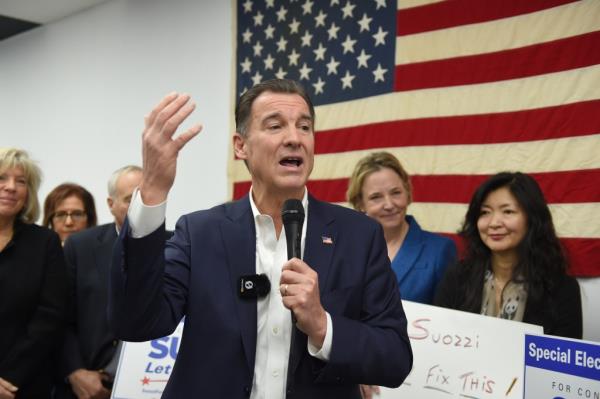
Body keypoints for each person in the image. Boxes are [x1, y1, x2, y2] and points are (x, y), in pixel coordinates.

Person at [108, 79, 413, 398]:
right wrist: (154, 188)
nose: (294, 138)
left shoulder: (359, 236)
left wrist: (323, 326)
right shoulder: (200, 234)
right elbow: (135, 323)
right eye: (275, 126)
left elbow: (394, 358)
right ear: (241, 146)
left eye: (304, 126)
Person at [434, 172, 582, 339]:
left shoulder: (562, 289)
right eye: (485, 212)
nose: (494, 223)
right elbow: (440, 340)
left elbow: (563, 360)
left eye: (508, 211)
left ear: (532, 218)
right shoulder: (457, 277)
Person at [53, 166, 143, 399]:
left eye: (146, 196)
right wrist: (74, 372)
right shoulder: (80, 247)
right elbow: (59, 317)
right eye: (129, 198)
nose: (139, 204)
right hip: (89, 384)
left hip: (149, 383)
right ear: (110, 204)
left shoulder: (175, 244)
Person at [0, 148, 68, 398]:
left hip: (23, 384)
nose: (11, 187)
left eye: (21, 181)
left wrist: (9, 377)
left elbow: (49, 317)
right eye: (2, 178)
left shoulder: (44, 242)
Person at [347, 151, 456, 304]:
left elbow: (450, 320)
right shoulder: (347, 250)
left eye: (396, 193)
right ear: (360, 204)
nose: (389, 205)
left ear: (408, 192)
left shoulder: (440, 250)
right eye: (376, 197)